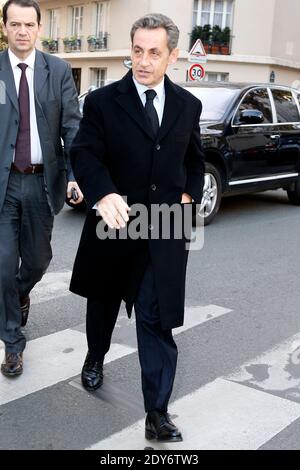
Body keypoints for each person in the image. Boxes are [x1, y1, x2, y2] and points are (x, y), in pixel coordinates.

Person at [70, 13, 204, 442]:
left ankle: (158, 412)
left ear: (172, 56)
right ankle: (95, 356)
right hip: (116, 221)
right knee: (104, 303)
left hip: (165, 228)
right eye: (137, 51)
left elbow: (195, 160)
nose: (144, 61)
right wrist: (103, 193)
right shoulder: (103, 102)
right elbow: (85, 153)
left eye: (154, 52)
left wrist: (190, 192)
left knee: (156, 319)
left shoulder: (188, 105)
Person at [0, 0, 83, 377]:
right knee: (2, 266)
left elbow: (72, 126)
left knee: (36, 261)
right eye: (14, 24)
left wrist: (76, 175)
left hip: (40, 180)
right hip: (3, 182)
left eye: (28, 24)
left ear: (38, 28)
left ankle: (18, 295)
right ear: (4, 28)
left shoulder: (58, 70)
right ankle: (13, 343)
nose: (22, 31)